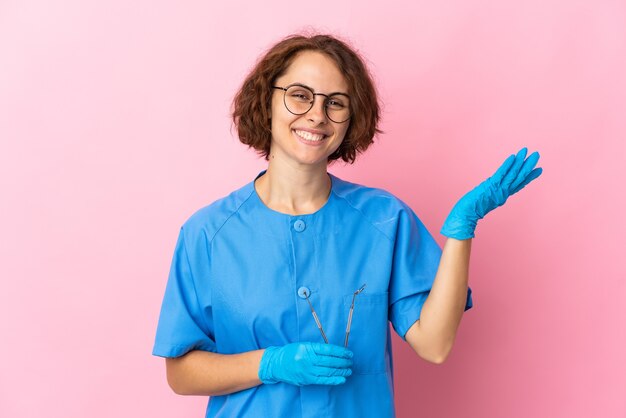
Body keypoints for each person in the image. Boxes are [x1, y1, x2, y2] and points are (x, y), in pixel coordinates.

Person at [152, 33, 543, 417]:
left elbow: (434, 344)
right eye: (300, 95)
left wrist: (461, 229)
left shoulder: (384, 220)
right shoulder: (207, 234)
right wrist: (270, 363)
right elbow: (181, 373)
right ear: (266, 101)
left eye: (335, 103)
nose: (317, 115)